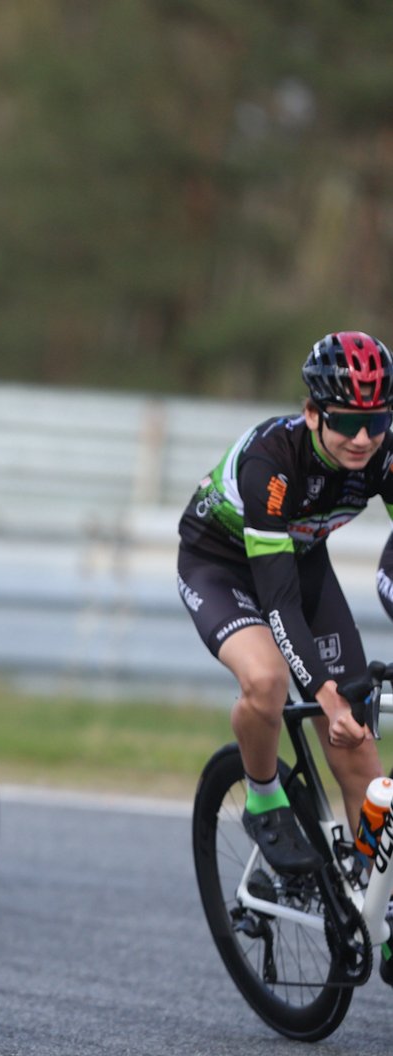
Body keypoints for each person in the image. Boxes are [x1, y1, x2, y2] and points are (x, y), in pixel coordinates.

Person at [176, 331, 393, 874]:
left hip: (300, 561)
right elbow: (276, 600)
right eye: (345, 421)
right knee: (268, 681)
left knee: (363, 762)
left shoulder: (384, 454)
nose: (363, 437)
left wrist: (342, 702)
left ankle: (375, 914)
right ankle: (264, 797)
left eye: (378, 421)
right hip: (221, 566)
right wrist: (326, 693)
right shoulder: (271, 462)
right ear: (312, 413)